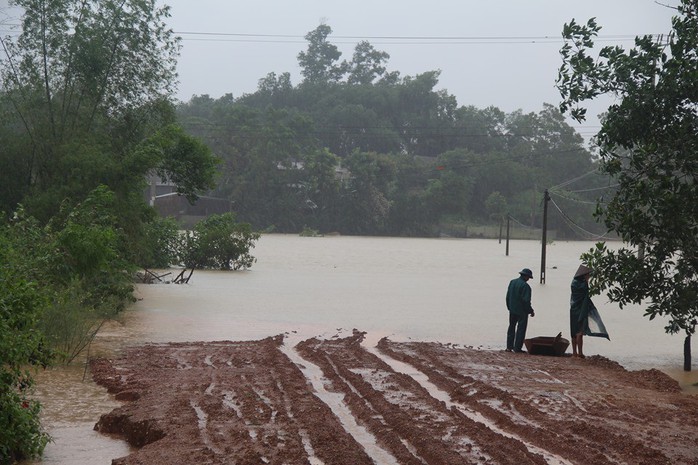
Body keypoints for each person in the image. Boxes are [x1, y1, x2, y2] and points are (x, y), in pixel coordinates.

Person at [570, 265, 610, 358]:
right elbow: (585, 295)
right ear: (583, 275)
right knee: (580, 332)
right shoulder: (583, 284)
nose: (589, 276)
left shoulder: (573, 283)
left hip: (573, 309)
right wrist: (587, 282)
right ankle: (580, 353)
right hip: (582, 309)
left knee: (573, 331)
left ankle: (574, 353)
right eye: (588, 275)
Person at [506, 268, 535, 353]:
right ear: (526, 276)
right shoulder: (526, 286)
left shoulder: (512, 282)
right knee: (521, 329)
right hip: (522, 311)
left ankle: (509, 347)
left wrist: (509, 307)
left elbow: (508, 297)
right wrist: (531, 311)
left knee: (511, 327)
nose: (529, 279)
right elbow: (526, 301)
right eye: (528, 277)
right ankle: (517, 348)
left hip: (512, 309)